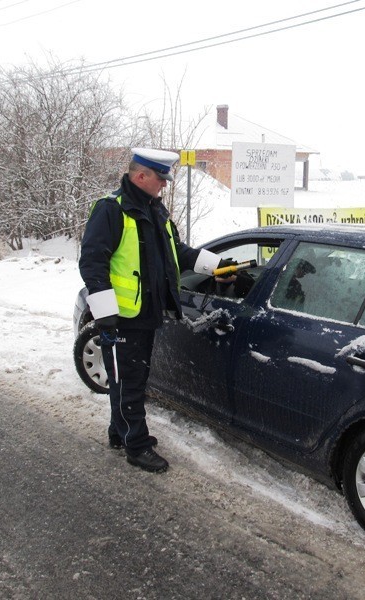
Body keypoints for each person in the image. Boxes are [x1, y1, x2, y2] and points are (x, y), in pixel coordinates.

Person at [79, 148, 231, 473]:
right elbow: (92, 263)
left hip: (146, 315)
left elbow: (180, 251)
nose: (164, 185)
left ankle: (120, 432)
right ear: (141, 176)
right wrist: (104, 314)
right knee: (129, 382)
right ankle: (137, 445)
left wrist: (218, 265)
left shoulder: (155, 211)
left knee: (129, 378)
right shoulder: (111, 210)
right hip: (120, 317)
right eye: (161, 179)